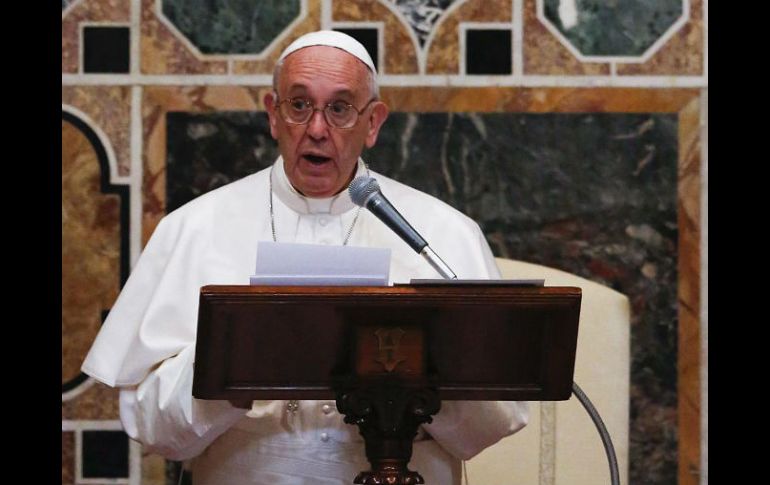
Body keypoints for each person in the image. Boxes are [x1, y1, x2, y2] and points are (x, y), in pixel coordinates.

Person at [82, 31, 528, 485]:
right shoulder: (193, 228)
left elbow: (492, 423)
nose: (317, 129)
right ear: (273, 115)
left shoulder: (444, 232)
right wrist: (232, 364)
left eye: (339, 108)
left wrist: (416, 372)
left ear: (373, 122)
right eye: (299, 105)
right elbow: (148, 427)